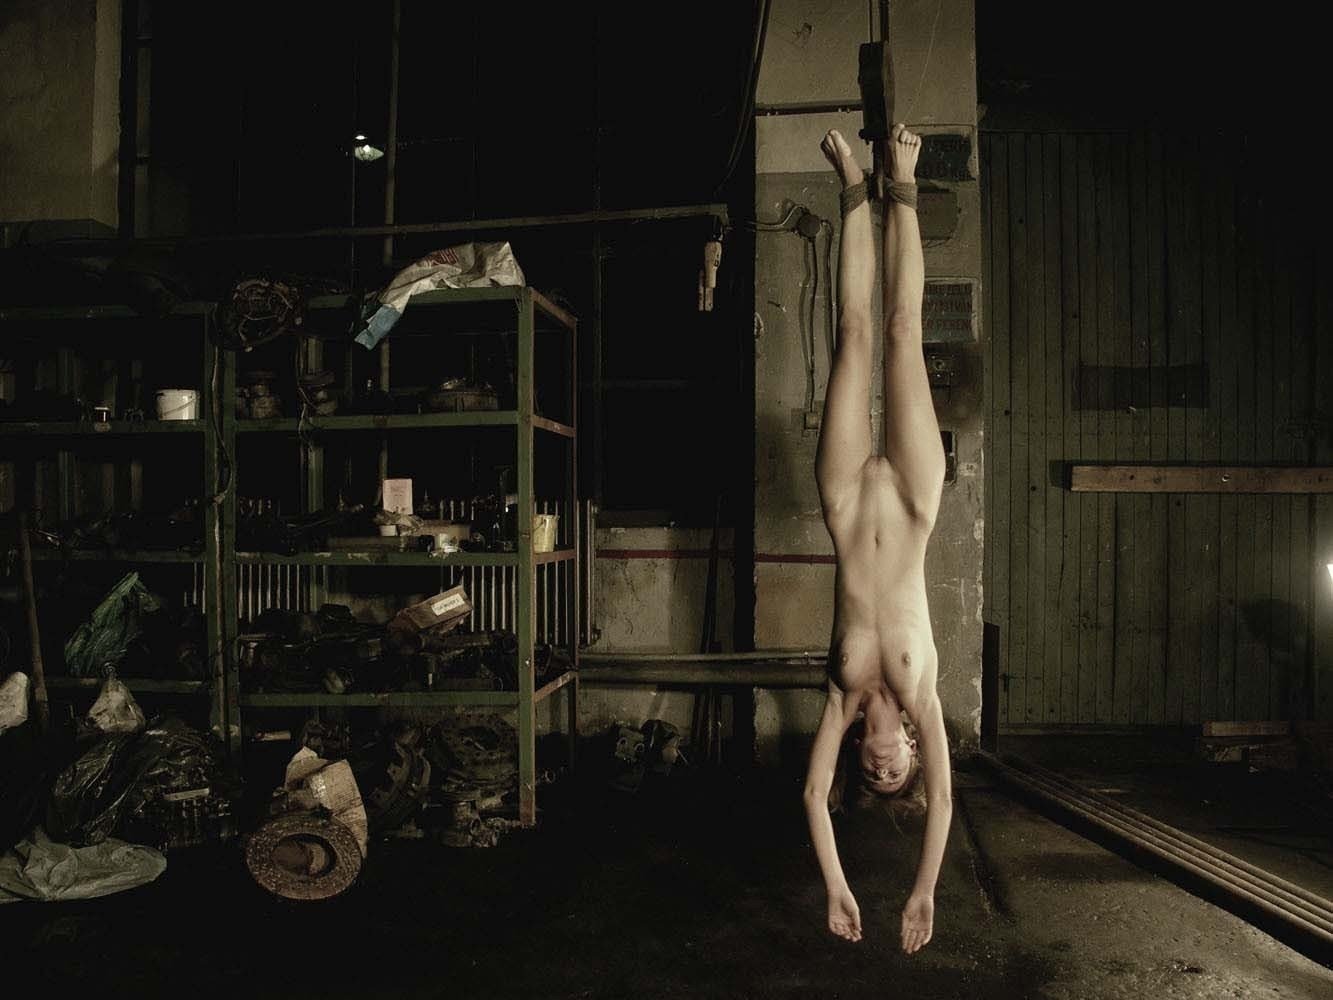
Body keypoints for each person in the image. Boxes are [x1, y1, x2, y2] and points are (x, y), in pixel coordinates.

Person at [802, 124, 952, 956]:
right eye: (898, 774)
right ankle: (903, 179)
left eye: (874, 773)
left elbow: (811, 795)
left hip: (845, 504)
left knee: (853, 333)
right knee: (901, 329)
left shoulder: (841, 698)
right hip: (914, 502)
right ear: (914, 755)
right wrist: (921, 891)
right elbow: (946, 805)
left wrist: (836, 884)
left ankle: (852, 185)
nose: (883, 768)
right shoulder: (922, 698)